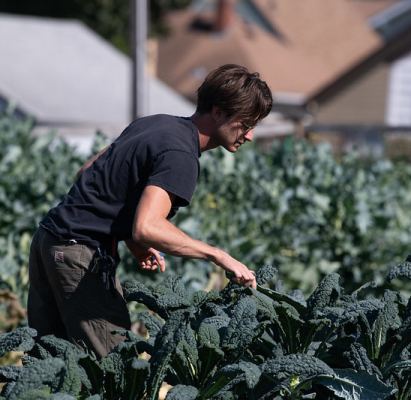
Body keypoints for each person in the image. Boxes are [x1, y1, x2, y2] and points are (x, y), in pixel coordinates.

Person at [27, 64, 273, 359]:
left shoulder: (155, 124)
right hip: (79, 257)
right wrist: (218, 255)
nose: (250, 136)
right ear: (219, 112)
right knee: (114, 371)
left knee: (49, 366)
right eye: (246, 124)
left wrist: (134, 242)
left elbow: (89, 173)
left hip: (47, 242)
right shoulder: (181, 155)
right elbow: (147, 226)